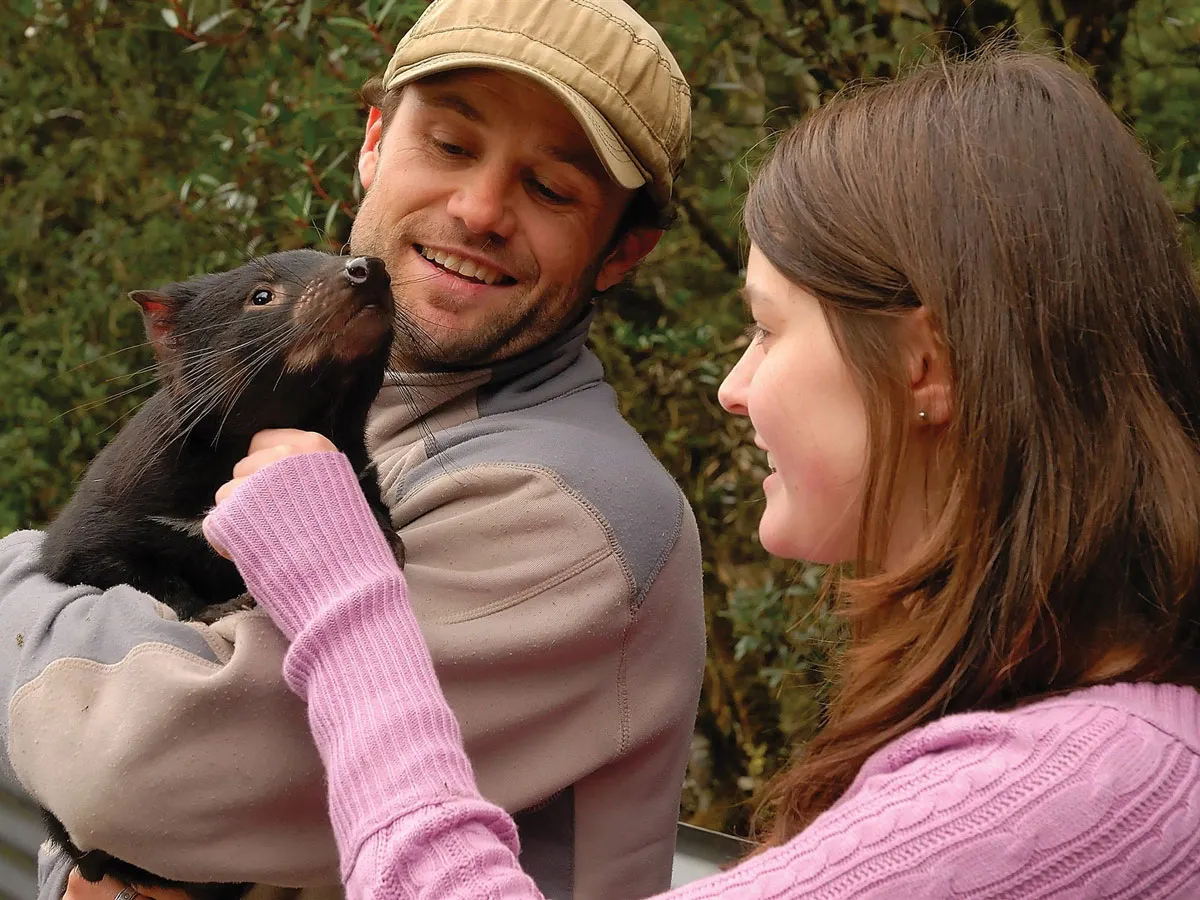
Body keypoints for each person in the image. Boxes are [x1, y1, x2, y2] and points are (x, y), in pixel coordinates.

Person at [82, 48, 1200, 900]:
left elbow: (134, 770)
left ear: (924, 364)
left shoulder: (1059, 795)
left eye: (765, 330)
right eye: (452, 144)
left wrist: (341, 591)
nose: (731, 387)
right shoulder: (1083, 738)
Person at [0, 2, 705, 900]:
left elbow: (135, 770)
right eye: (450, 145)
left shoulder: (572, 514)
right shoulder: (329, 410)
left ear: (621, 252)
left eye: (551, 190)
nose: (480, 209)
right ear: (373, 141)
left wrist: (17, 583)